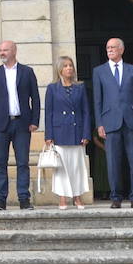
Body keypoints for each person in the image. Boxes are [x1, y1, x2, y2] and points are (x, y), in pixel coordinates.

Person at [0, 40, 40, 210]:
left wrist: (35, 121)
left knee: (23, 163)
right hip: (0, 125)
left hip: (22, 123)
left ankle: (24, 198)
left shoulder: (27, 72)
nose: (2, 53)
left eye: (5, 50)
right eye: (0, 50)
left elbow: (35, 99)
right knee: (0, 163)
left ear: (14, 51)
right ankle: (0, 199)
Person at [93, 37, 133, 209]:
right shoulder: (99, 71)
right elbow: (97, 100)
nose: (110, 50)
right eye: (108, 47)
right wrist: (99, 123)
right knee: (113, 161)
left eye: (113, 47)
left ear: (122, 50)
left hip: (131, 119)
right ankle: (115, 197)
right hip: (110, 121)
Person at [43, 56, 92, 209]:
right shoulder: (52, 88)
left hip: (76, 131)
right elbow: (49, 113)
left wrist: (86, 134)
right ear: (60, 69)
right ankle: (63, 198)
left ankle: (77, 197)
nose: (69, 68)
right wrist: (49, 135)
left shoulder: (80, 87)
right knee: (61, 169)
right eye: (65, 66)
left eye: (71, 65)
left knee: (76, 167)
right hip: (59, 132)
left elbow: (86, 112)